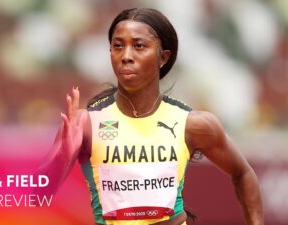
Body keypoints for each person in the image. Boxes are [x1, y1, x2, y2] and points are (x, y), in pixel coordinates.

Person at [39, 8, 264, 225]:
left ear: (163, 57)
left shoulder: (193, 124)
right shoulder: (84, 124)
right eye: (118, 46)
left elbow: (243, 173)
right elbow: (38, 194)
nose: (126, 56)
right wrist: (61, 157)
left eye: (139, 46)